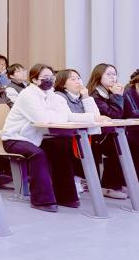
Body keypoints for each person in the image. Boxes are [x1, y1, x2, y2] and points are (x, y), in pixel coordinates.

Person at [1, 64, 101, 212]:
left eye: (51, 77)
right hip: (15, 138)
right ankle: (41, 200)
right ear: (34, 80)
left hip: (37, 138)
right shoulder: (27, 95)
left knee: (62, 147)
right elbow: (41, 119)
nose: (49, 80)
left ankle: (66, 197)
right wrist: (58, 116)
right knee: (38, 154)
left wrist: (93, 118)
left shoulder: (53, 95)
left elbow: (68, 116)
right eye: (45, 77)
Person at [53, 69, 123, 198]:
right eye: (73, 79)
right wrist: (94, 118)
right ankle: (79, 181)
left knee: (113, 144)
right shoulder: (58, 96)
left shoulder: (80, 96)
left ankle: (93, 183)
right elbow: (68, 117)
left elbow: (95, 114)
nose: (78, 81)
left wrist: (86, 97)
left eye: (78, 78)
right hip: (61, 136)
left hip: (79, 135)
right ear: (63, 83)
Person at [84, 64, 130, 198]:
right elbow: (114, 115)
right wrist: (117, 96)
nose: (113, 77)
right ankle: (109, 186)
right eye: (108, 74)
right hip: (94, 136)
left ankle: (118, 183)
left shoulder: (111, 92)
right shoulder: (94, 95)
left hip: (107, 134)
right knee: (118, 145)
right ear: (99, 76)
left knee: (126, 142)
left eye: (114, 74)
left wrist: (121, 95)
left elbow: (127, 113)